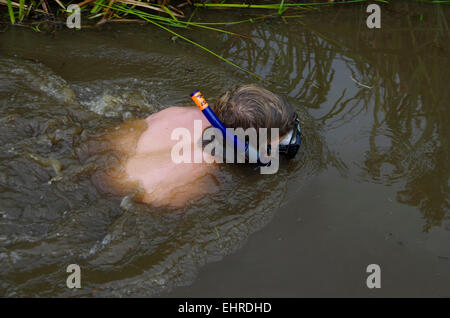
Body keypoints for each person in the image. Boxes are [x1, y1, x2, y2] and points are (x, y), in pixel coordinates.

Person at [91, 84, 299, 207]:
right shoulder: (197, 171)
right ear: (246, 151)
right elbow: (158, 206)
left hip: (104, 147)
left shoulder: (177, 112)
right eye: (276, 148)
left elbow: (110, 138)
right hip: (108, 191)